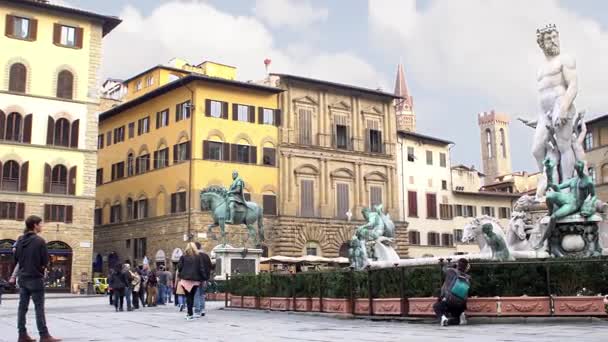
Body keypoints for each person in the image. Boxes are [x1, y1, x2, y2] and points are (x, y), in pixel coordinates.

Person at [14, 215, 61, 342]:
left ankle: (22, 335)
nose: (42, 226)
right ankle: (44, 335)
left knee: (22, 308)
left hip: (22, 278)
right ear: (35, 225)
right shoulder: (39, 241)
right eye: (41, 224)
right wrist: (42, 269)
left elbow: (16, 259)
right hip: (35, 278)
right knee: (39, 308)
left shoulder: (20, 240)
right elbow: (45, 261)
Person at [433, 258, 471, 326]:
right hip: (461, 304)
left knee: (436, 306)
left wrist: (452, 265)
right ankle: (461, 315)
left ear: (458, 264)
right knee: (455, 319)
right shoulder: (467, 277)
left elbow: (444, 269)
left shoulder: (451, 271)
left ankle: (443, 318)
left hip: (449, 301)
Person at [177, 242, 206, 320]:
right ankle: (191, 314)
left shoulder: (183, 257)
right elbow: (201, 268)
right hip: (195, 280)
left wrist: (180, 274)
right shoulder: (198, 257)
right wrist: (204, 278)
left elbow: (179, 267)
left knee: (188, 296)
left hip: (185, 280)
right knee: (192, 296)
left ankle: (189, 314)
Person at [194, 242, 212, 317]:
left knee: (196, 294)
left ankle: (197, 310)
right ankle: (202, 309)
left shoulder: (194, 256)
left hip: (196, 278)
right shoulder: (206, 256)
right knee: (202, 294)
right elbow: (210, 266)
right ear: (200, 247)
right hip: (204, 278)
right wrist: (207, 277)